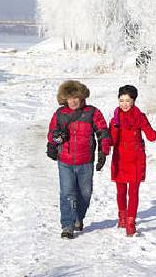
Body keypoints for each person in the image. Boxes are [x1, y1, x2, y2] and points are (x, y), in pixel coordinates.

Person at [47, 80, 111, 239]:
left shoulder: (92, 112)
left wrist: (103, 153)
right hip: (65, 161)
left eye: (76, 97)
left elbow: (103, 132)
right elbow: (51, 134)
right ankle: (67, 225)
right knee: (67, 193)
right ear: (64, 99)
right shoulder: (60, 114)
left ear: (82, 97)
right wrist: (56, 137)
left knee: (85, 193)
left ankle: (78, 218)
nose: (73, 101)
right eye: (70, 98)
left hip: (86, 161)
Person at [109, 84, 156, 236]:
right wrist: (115, 126)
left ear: (134, 101)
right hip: (120, 158)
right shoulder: (115, 118)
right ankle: (122, 217)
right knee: (121, 191)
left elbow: (152, 137)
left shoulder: (139, 117)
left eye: (127, 100)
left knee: (134, 192)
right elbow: (111, 141)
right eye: (121, 100)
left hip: (136, 159)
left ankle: (130, 222)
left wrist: (144, 124)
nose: (124, 104)